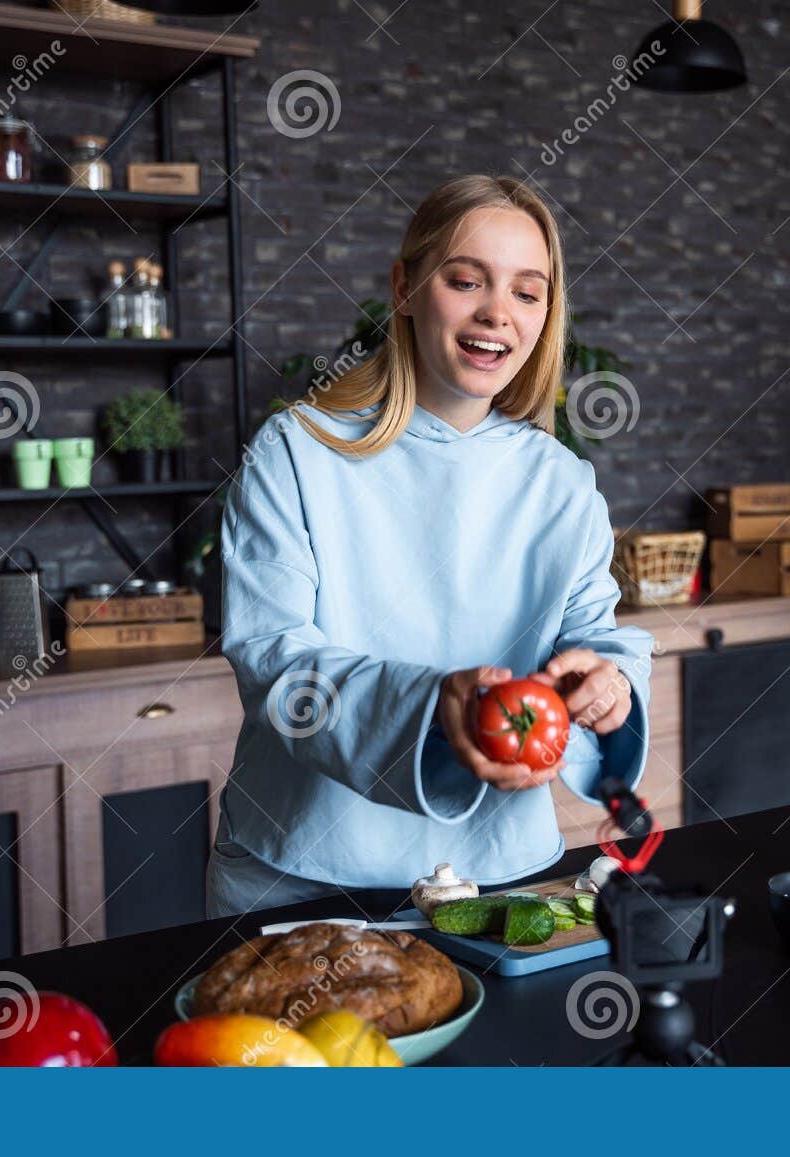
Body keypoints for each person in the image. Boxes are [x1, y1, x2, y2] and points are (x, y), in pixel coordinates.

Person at [207, 174, 653, 919]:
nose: (496, 314)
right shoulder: (296, 451)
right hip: (304, 884)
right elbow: (275, 660)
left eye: (527, 291)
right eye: (465, 279)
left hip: (502, 881)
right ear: (405, 287)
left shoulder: (563, 482)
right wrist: (428, 708)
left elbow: (597, 636)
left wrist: (608, 684)